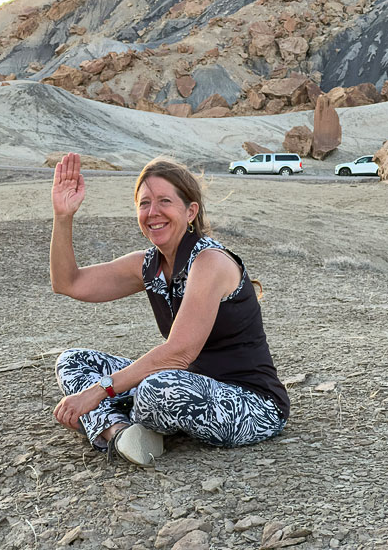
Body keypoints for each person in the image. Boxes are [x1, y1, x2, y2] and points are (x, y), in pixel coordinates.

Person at [51, 152, 289, 466]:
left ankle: (114, 421)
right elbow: (68, 283)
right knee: (73, 360)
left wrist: (98, 391)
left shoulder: (210, 262)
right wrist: (63, 216)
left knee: (157, 388)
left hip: (251, 404)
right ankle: (121, 433)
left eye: (165, 201)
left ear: (190, 211)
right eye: (144, 203)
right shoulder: (148, 265)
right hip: (188, 384)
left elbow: (178, 353)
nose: (153, 212)